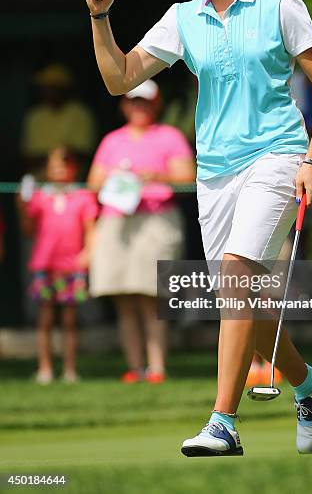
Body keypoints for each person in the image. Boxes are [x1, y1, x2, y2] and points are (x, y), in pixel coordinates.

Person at [84, 0, 312, 456]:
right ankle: (309, 383)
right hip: (215, 172)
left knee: (234, 278)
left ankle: (223, 421)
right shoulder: (182, 17)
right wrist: (100, 20)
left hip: (276, 156)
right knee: (248, 297)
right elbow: (120, 79)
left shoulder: (282, 5)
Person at [87, 79, 195, 383]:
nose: (139, 107)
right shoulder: (112, 141)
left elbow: (187, 176)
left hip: (156, 220)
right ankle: (134, 368)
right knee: (124, 298)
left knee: (152, 296)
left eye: (145, 102)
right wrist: (116, 177)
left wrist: (154, 176)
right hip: (118, 221)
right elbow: (93, 183)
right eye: (134, 102)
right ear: (125, 106)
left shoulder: (170, 136)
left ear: (156, 104)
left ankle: (157, 367)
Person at [17, 146, 98, 383]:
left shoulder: (83, 195)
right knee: (45, 319)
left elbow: (90, 228)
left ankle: (70, 369)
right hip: (45, 265)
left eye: (64, 165)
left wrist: (88, 253)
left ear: (74, 168)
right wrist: (22, 205)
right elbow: (27, 229)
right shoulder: (40, 196)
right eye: (54, 166)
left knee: (70, 320)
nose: (59, 170)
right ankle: (45, 368)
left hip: (72, 266)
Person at [21, 63, 97, 176]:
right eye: (46, 87)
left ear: (66, 88)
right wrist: (56, 157)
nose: (50, 91)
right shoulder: (35, 115)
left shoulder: (80, 114)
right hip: (38, 183)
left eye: (55, 87)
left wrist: (60, 158)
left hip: (72, 183)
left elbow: (85, 154)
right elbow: (27, 156)